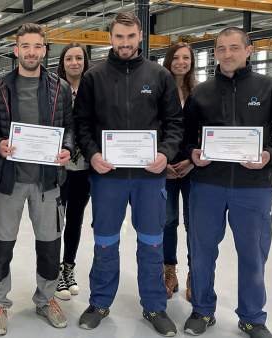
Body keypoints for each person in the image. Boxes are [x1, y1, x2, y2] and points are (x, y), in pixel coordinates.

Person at [182, 27, 272, 338]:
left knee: (252, 254)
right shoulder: (201, 92)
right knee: (203, 250)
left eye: (234, 48)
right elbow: (183, 137)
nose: (227, 54)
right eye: (221, 49)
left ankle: (252, 317)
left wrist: (269, 154)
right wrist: (193, 153)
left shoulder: (269, 87)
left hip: (254, 186)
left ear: (248, 51)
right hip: (207, 184)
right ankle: (203, 310)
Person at [72, 13, 183, 336]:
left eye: (130, 36)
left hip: (150, 177)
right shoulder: (94, 77)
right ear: (110, 38)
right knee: (105, 242)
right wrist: (93, 154)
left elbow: (175, 122)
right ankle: (100, 301)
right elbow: (82, 124)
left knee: (151, 243)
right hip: (108, 177)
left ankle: (154, 306)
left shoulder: (159, 75)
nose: (124, 42)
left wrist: (165, 153)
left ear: (139, 37)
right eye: (119, 37)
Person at [0, 22, 75, 335]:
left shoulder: (60, 88)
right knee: (2, 246)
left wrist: (68, 149)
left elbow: (71, 127)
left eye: (37, 46)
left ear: (44, 50)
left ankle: (46, 299)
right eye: (25, 46)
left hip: (48, 182)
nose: (31, 52)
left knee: (49, 245)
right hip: (10, 180)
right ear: (16, 49)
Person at [161, 42, 198, 302]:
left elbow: (209, 129)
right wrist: (161, 161)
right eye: (176, 57)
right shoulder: (159, 90)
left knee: (194, 223)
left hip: (193, 165)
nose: (181, 62)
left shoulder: (201, 91)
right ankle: (169, 271)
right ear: (168, 60)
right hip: (164, 165)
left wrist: (193, 162)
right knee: (167, 220)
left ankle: (194, 273)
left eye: (186, 58)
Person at [54, 42, 90, 301]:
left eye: (79, 58)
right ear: (62, 62)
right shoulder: (54, 89)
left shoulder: (93, 89)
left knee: (75, 219)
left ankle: (69, 267)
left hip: (84, 168)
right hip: (58, 166)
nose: (74, 62)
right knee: (55, 221)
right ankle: (54, 270)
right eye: (69, 58)